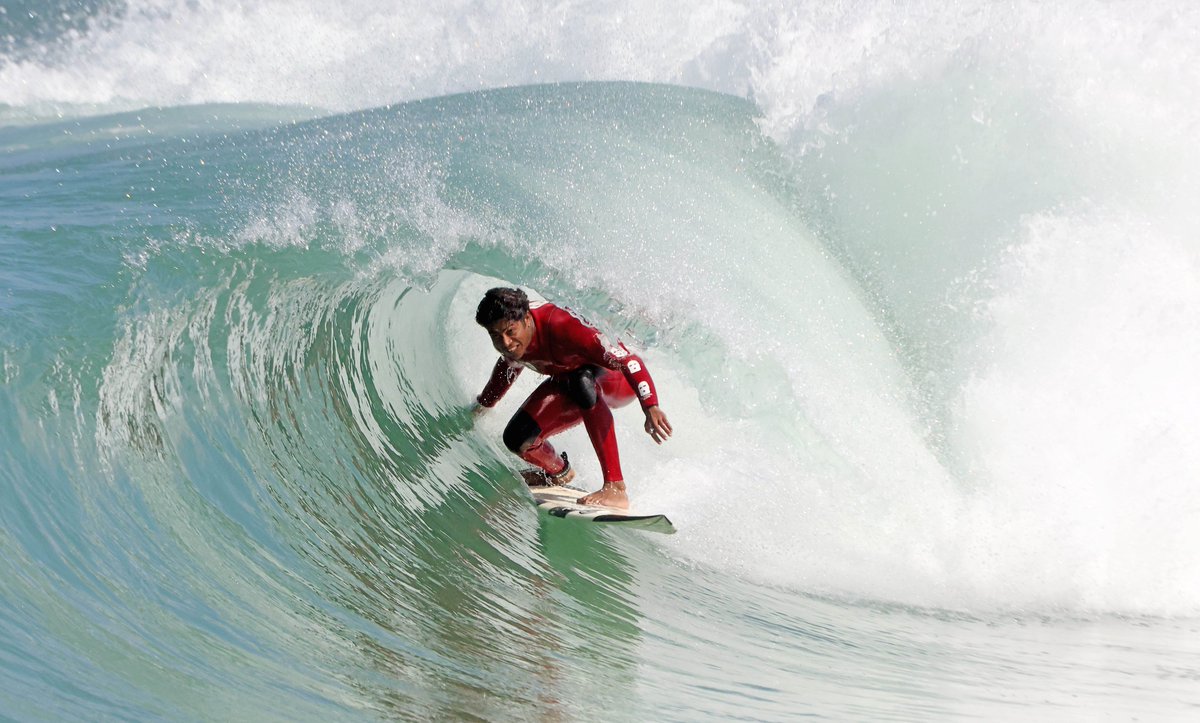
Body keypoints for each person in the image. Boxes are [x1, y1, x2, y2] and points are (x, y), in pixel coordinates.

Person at [472, 287, 672, 510]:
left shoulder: (563, 328)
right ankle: (559, 473)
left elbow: (629, 361)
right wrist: (484, 404)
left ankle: (616, 488)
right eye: (496, 335)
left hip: (616, 380)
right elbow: (509, 365)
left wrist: (650, 405)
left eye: (510, 332)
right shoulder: (513, 336)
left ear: (527, 318)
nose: (506, 342)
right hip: (569, 376)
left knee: (580, 380)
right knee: (517, 439)